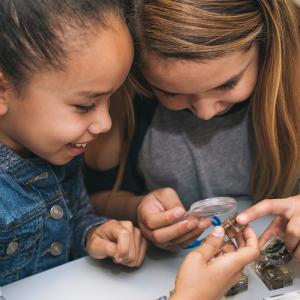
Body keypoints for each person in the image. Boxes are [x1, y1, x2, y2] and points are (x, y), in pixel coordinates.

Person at [84, 0, 300, 252]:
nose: (205, 113)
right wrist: (137, 208)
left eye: (226, 85)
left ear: (266, 46)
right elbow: (94, 198)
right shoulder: (125, 101)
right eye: (171, 93)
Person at [0, 0, 148, 287]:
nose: (105, 123)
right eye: (85, 105)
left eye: (111, 98)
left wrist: (92, 234)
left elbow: (73, 213)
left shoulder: (57, 146)